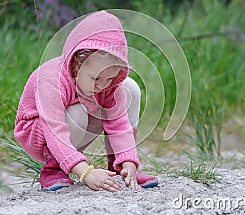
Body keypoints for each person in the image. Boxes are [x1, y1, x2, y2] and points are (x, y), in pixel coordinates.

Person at [14, 10, 158, 192]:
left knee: (129, 89)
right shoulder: (51, 81)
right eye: (95, 78)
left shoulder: (107, 84)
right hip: (39, 132)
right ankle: (54, 168)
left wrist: (128, 159)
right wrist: (86, 173)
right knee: (78, 112)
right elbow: (54, 130)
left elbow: (118, 123)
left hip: (78, 116)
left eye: (109, 78)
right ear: (76, 63)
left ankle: (119, 168)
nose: (102, 85)